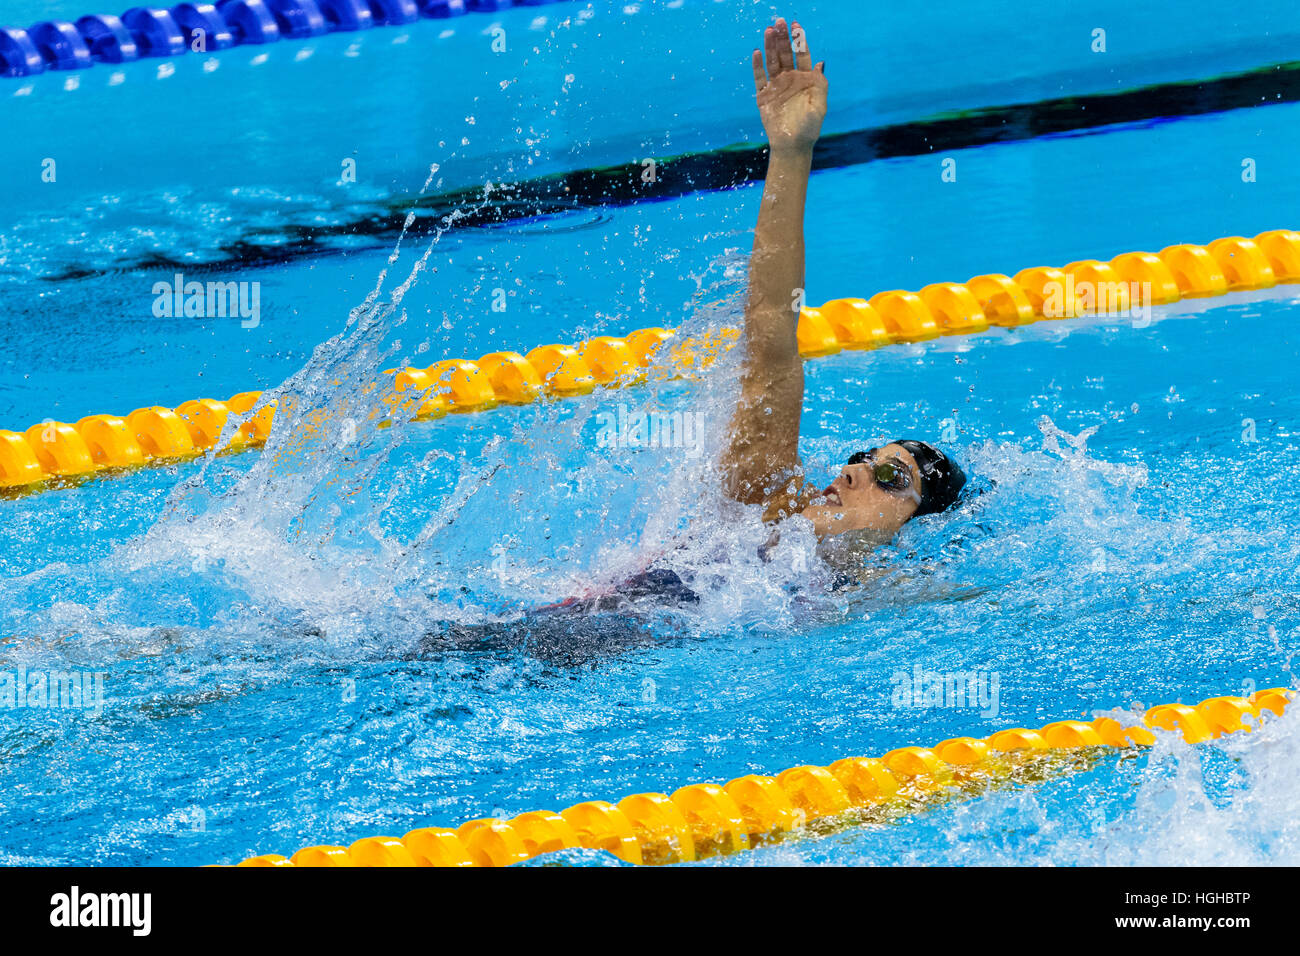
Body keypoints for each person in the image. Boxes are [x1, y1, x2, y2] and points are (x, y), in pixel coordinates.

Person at [721, 18, 967, 546]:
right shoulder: (767, 522)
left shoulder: (889, 603)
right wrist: (791, 153)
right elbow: (770, 346)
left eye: (888, 478)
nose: (850, 473)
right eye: (863, 461)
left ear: (913, 530)